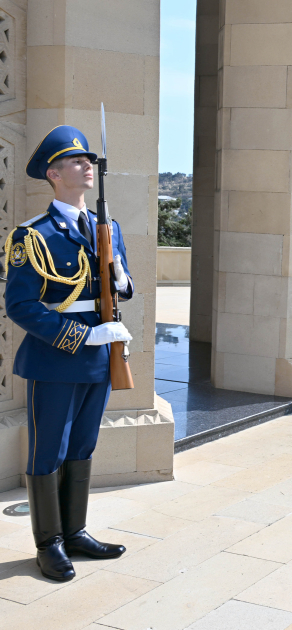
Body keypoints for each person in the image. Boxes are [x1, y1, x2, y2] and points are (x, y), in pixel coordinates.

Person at [4, 126, 134, 581]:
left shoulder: (107, 227)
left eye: (89, 160)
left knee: (82, 446)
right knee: (49, 451)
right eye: (76, 161)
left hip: (101, 359)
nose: (87, 166)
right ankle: (49, 544)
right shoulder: (32, 235)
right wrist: (83, 337)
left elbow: (121, 286)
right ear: (54, 174)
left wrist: (122, 280)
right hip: (56, 358)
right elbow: (21, 305)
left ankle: (75, 532)